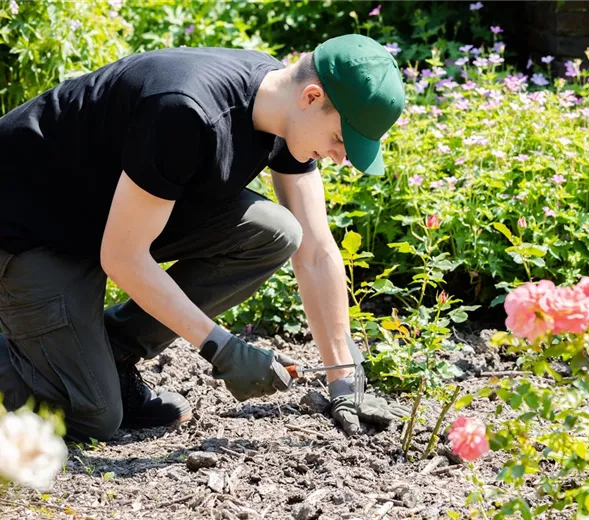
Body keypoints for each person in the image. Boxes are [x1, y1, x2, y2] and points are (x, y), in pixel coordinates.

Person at [0, 33, 410, 442]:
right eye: (340, 139)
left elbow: (316, 251)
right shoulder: (185, 111)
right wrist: (222, 348)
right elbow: (123, 256)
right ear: (310, 97)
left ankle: (110, 355)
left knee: (276, 231)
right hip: (27, 229)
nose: (341, 157)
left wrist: (343, 375)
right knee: (94, 416)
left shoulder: (283, 113)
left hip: (99, 217)